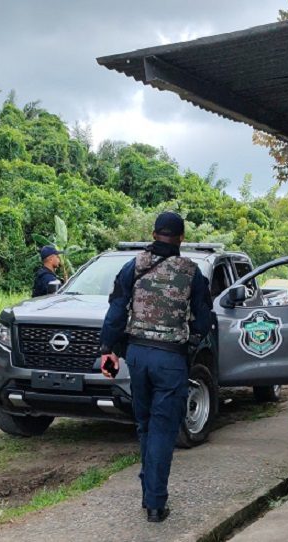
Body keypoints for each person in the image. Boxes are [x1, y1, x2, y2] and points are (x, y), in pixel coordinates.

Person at [99, 211, 212, 523]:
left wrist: (108, 351)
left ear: (153, 233)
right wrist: (191, 342)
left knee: (145, 424)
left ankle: (148, 488)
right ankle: (155, 503)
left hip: (137, 356)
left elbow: (115, 312)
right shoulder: (192, 272)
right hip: (171, 360)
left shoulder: (131, 267)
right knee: (163, 428)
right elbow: (203, 320)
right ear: (181, 238)